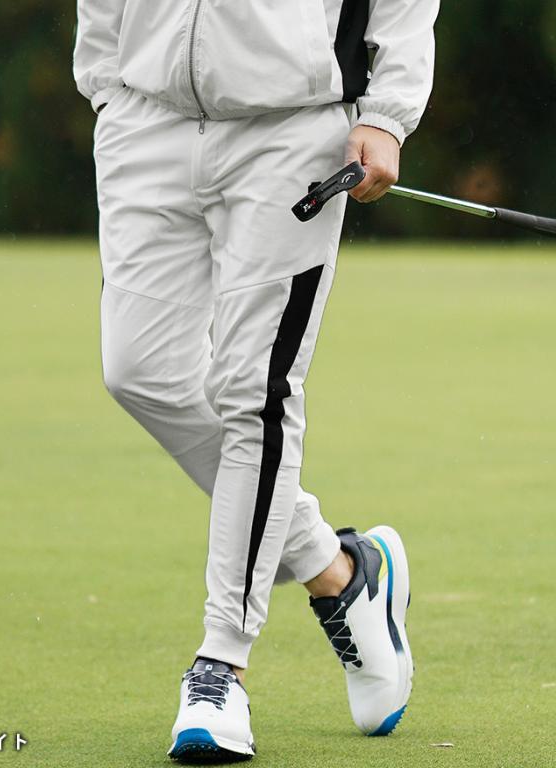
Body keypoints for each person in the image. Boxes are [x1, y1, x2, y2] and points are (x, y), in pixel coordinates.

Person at [74, 0, 439, 760]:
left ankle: (221, 666)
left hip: (290, 130)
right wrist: (106, 83)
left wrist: (389, 113)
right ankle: (338, 571)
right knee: (139, 372)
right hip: (144, 119)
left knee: (256, 394)